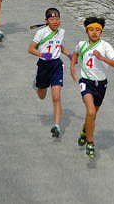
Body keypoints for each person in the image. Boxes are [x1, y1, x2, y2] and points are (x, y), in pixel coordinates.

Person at [70, 17, 114, 158]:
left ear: (101, 32)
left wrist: (102, 58)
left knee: (92, 115)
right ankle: (90, 142)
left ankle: (84, 131)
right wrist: (72, 66)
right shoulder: (82, 44)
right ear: (86, 31)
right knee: (91, 112)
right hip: (86, 81)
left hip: (101, 84)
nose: (94, 33)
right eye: (91, 30)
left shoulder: (105, 46)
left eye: (97, 30)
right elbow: (75, 54)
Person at [28, 8, 71, 138]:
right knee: (42, 96)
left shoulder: (61, 32)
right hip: (43, 66)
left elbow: (59, 45)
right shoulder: (41, 33)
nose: (55, 21)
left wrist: (69, 54)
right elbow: (30, 49)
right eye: (52, 19)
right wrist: (42, 54)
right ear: (46, 21)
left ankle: (56, 126)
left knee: (56, 97)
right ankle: (37, 84)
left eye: (57, 19)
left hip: (56, 65)